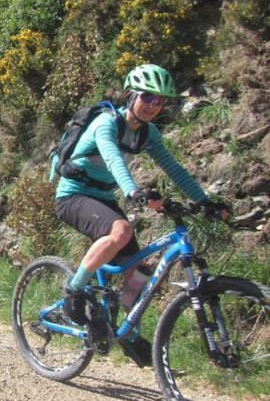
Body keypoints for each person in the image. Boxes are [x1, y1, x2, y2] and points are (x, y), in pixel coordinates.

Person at [54, 64, 228, 367]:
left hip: (103, 197)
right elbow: (113, 158)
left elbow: (174, 168)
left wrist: (204, 200)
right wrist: (134, 192)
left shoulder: (148, 133)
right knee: (121, 231)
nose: (153, 105)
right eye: (148, 97)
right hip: (73, 195)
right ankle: (74, 288)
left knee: (138, 273)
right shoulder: (106, 122)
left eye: (160, 101)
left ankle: (129, 334)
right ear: (131, 95)